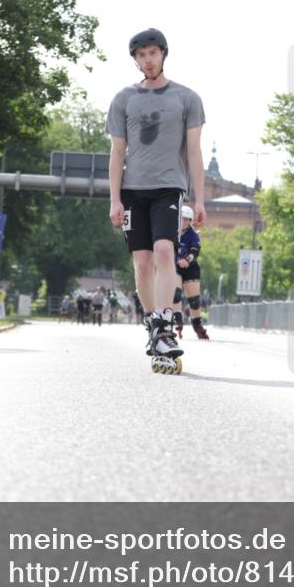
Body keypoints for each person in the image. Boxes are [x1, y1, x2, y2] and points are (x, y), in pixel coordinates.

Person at [107, 28, 206, 364]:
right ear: (135, 60)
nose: (147, 59)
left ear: (163, 54)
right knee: (143, 261)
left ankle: (165, 325)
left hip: (169, 187)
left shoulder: (187, 98)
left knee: (165, 252)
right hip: (133, 190)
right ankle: (151, 321)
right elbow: (117, 153)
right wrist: (114, 199)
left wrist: (201, 199)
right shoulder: (124, 99)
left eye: (152, 53)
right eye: (141, 55)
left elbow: (194, 152)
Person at [173, 204, 209, 339]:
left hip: (190, 266)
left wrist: (187, 260)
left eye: (187, 219)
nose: (184, 222)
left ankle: (196, 324)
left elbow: (195, 250)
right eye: (182, 219)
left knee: (194, 300)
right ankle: (178, 321)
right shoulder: (171, 231)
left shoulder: (193, 234)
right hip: (174, 266)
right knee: (175, 294)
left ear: (190, 221)